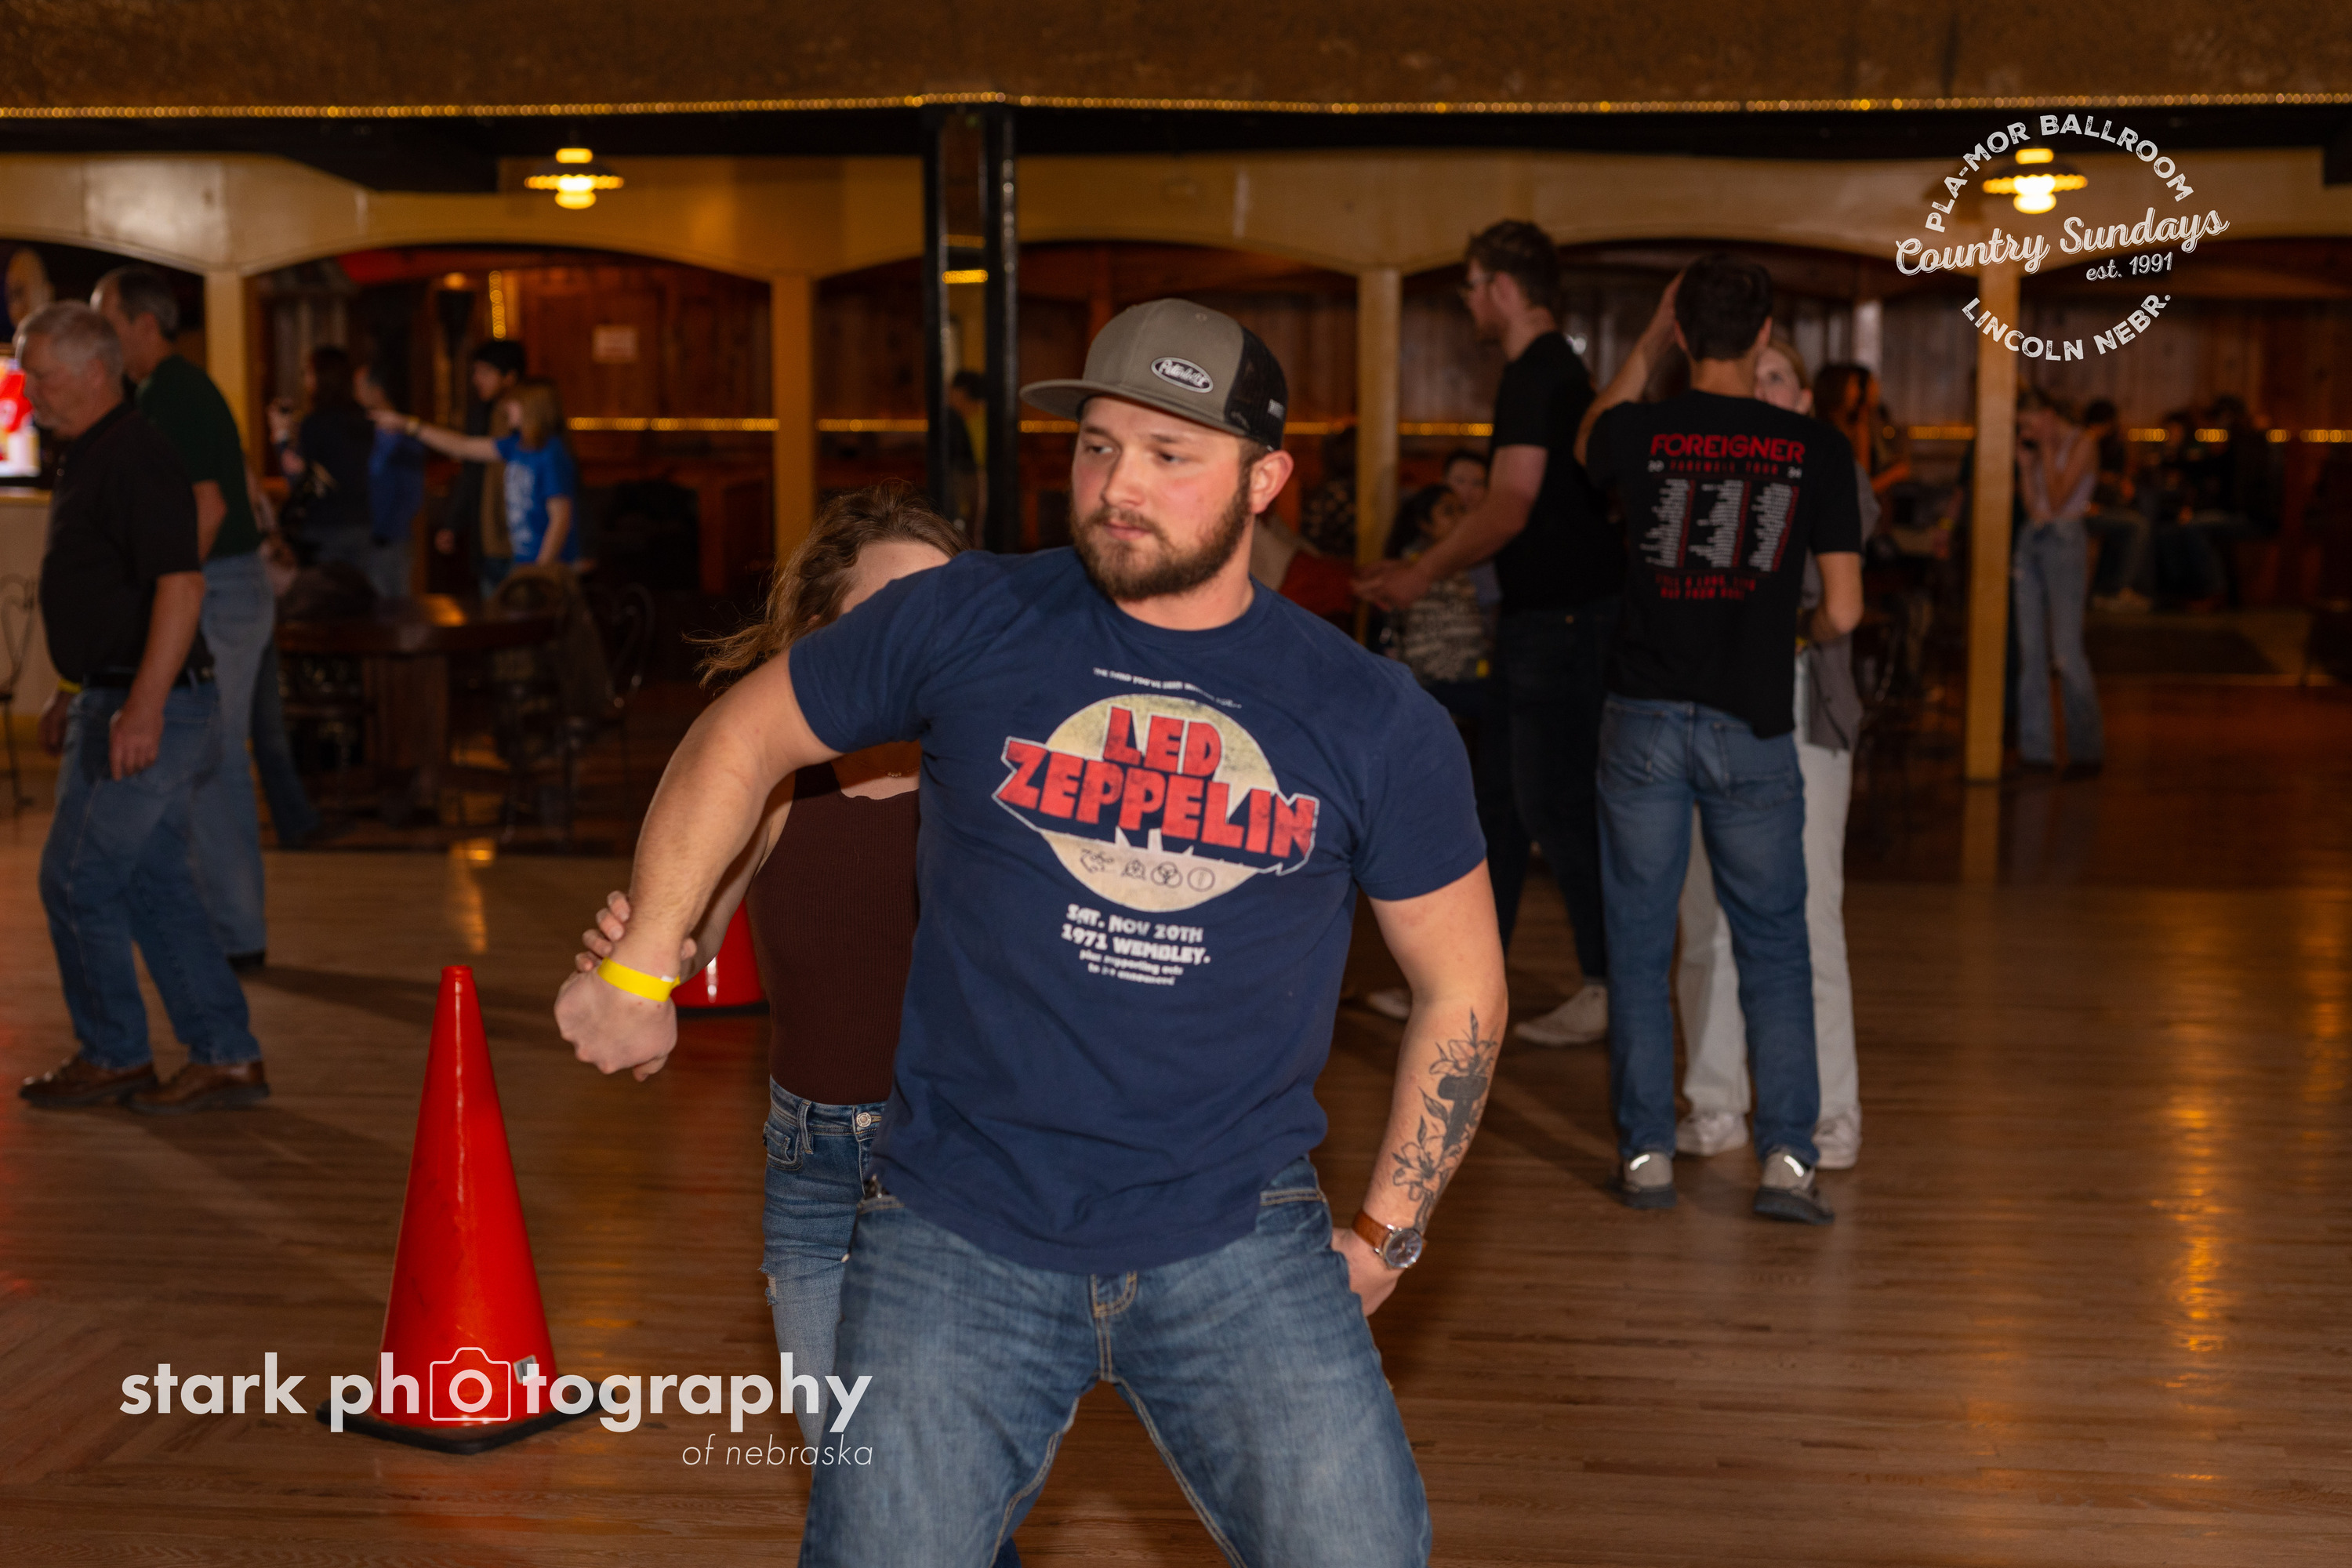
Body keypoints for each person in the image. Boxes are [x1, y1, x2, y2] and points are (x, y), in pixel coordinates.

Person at [557, 299, 1504, 1568]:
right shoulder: (970, 617)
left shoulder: (1369, 714)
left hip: (1234, 1226)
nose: (1120, 487)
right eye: (1098, 447)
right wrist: (642, 965)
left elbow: (1462, 987)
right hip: (957, 1219)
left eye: (1170, 455)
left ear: (1266, 480)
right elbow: (740, 735)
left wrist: (1390, 1232)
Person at [573, 483, 964, 1451]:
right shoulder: (775, 772)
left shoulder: (982, 767)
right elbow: (700, 926)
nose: (916, 640)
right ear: (822, 630)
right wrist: (648, 958)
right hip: (814, 1161)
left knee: (938, 1474)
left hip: (956, 1158)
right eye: (889, 614)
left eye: (942, 612)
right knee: (849, 1463)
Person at [1573, 255, 1863, 1222]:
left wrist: (1645, 343)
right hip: (1753, 722)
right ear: (1767, 332)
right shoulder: (1815, 448)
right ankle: (1788, 1163)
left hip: (1644, 721)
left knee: (1639, 941)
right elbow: (1845, 609)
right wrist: (1790, 629)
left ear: (1682, 332)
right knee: (1774, 946)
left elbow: (1587, 439)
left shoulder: (1641, 431)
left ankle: (1647, 1157)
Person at [1356, 220, 1621, 1048]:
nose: (1469, 301)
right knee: (1501, 807)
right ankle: (1467, 981)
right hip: (1543, 621)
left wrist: (1420, 573)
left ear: (1503, 288)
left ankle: (1606, 985)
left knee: (1555, 806)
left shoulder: (1536, 372)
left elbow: (1509, 505)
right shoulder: (1553, 370)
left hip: (1562, 622)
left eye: (1471, 286)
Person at [11, 303, 267, 1114]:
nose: (29, 392)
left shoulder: (134, 454)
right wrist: (75, 691)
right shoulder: (96, 451)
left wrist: (144, 708)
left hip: (151, 703)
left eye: (40, 376)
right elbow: (110, 591)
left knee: (76, 879)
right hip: (116, 694)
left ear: (94, 371)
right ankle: (225, 1054)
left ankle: (114, 1052)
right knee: (154, 885)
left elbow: (180, 585)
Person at [1673, 336, 1873, 1172]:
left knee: (1810, 907)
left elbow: (1833, 595)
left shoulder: (1828, 467)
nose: (1762, 389)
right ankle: (1715, 1098)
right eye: (1751, 376)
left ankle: (1831, 1110)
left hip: (1800, 698)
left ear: (1803, 398)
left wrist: (1781, 625)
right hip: (1704, 699)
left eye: (1778, 378)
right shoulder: (1699, 465)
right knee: (1705, 911)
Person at [92, 266, 278, 970]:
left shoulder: (173, 391)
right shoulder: (170, 390)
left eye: (108, 321)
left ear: (144, 324)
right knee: (208, 759)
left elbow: (211, 506)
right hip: (226, 585)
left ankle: (236, 936)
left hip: (221, 588)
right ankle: (228, 931)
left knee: (214, 760)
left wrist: (167, 589)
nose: (102, 336)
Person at [387, 377, 578, 586]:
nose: (507, 408)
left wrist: (538, 574)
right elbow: (463, 446)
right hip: (524, 563)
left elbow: (560, 517)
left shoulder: (551, 453)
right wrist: (410, 426)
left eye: (514, 403)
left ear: (532, 408)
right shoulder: (517, 445)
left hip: (548, 568)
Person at [2013, 389, 2104, 776]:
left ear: (2049, 415)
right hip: (2032, 539)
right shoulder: (2039, 446)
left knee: (2065, 651)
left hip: (2065, 541)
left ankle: (2085, 751)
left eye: (2030, 424)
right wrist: (2025, 468)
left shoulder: (2083, 444)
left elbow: (2057, 497)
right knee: (2031, 650)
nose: (2027, 432)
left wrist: (2048, 452)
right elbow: (2034, 506)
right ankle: (2037, 749)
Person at [269, 345, 376, 579]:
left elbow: (299, 481)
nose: (306, 380)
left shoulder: (316, 423)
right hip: (362, 522)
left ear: (322, 377)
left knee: (326, 593)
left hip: (324, 525)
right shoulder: (364, 419)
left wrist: (281, 436)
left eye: (309, 372)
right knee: (359, 592)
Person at [434, 339, 527, 593]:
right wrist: (452, 524)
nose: (476, 379)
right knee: (491, 609)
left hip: (524, 544)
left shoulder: (532, 422)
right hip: (487, 541)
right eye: (475, 371)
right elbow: (471, 472)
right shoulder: (480, 415)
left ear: (510, 377)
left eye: (485, 372)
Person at [355, 362, 426, 604]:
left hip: (390, 541)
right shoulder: (364, 434)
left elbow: (412, 492)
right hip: (370, 538)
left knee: (393, 609)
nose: (355, 396)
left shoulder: (404, 436)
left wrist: (385, 531)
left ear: (377, 391)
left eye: (359, 388)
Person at [946, 368, 985, 532]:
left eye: (951, 390)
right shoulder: (954, 421)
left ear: (961, 392)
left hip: (974, 486)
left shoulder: (981, 423)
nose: (948, 395)